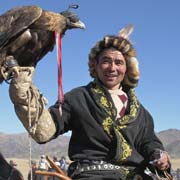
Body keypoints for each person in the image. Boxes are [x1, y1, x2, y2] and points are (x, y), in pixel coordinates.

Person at [8, 25, 172, 180]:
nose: (112, 68)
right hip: (91, 174)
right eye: (106, 61)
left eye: (119, 62)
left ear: (127, 68)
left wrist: (159, 154)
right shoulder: (78, 97)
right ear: (96, 65)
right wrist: (24, 94)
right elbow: (47, 129)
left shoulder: (140, 112)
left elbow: (148, 141)